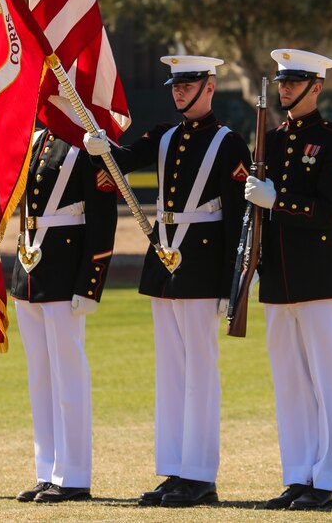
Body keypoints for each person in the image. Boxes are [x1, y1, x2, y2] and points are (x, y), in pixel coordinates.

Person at [84, 55, 251, 508]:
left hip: (202, 264)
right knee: (171, 373)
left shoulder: (229, 142)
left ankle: (200, 475)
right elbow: (124, 161)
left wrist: (231, 284)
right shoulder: (163, 136)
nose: (179, 92)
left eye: (189, 83)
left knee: (200, 371)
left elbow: (238, 218)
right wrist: (101, 146)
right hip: (166, 261)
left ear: (209, 86)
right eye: (176, 85)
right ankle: (175, 469)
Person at [245, 48, 332, 511]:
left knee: (325, 381)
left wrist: (279, 202)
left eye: (294, 82)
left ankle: (327, 478)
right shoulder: (269, 139)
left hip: (317, 277)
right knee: (289, 381)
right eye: (282, 81)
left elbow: (329, 214)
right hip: (278, 278)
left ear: (317, 86)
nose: (285, 88)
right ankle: (298, 474)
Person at [10, 127, 118, 504]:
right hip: (30, 269)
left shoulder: (86, 142)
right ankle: (47, 471)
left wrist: (91, 283)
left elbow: (103, 218)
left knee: (68, 377)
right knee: (40, 378)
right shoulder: (36, 139)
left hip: (65, 271)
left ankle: (72, 476)